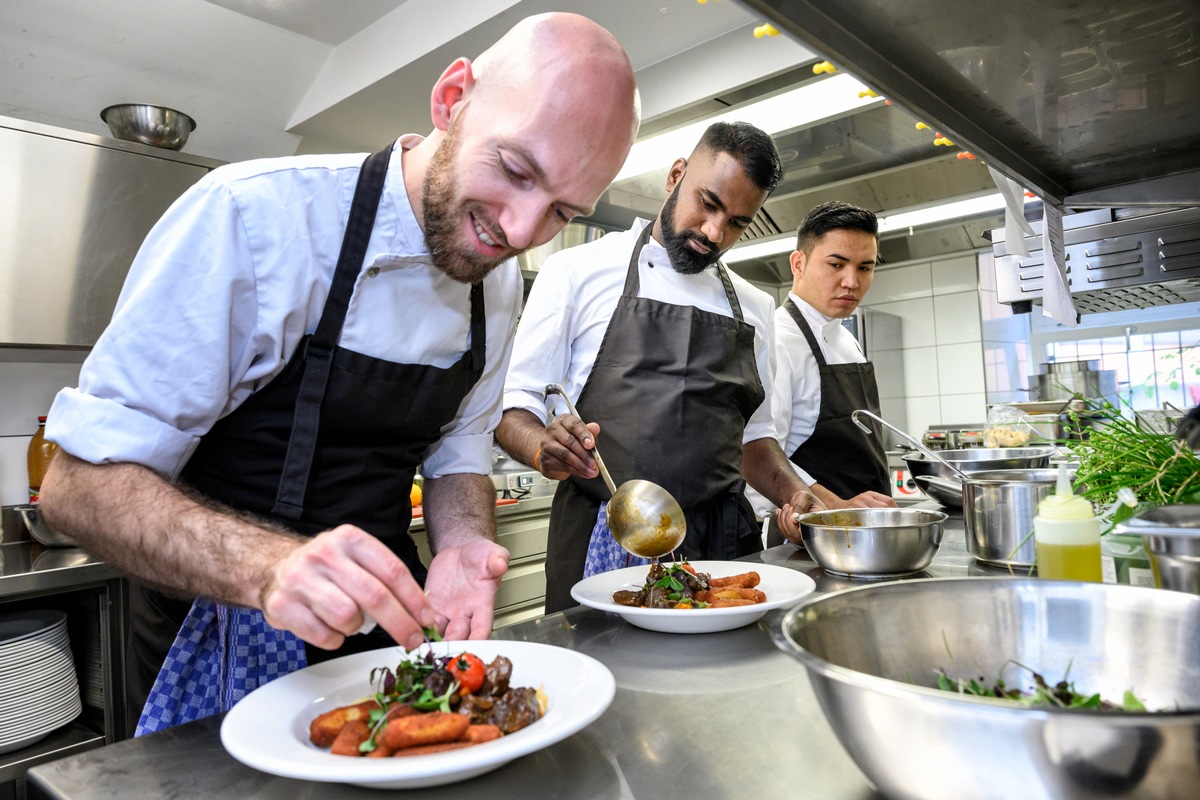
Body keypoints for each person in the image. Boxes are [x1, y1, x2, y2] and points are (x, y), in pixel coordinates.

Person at [38, 12, 639, 734]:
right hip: (211, 640)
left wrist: (462, 542)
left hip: (381, 644)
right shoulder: (254, 217)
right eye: (514, 171)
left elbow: (456, 457)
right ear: (452, 98)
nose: (516, 232)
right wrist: (269, 568)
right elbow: (76, 488)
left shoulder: (498, 281)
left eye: (561, 212)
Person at [495, 121, 818, 612]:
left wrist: (797, 496)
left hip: (724, 550)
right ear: (675, 175)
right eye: (707, 204)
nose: (714, 232)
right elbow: (511, 409)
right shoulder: (577, 272)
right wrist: (542, 447)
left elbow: (756, 439)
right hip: (607, 539)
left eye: (736, 223)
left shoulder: (753, 307)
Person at [750, 200, 897, 542]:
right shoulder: (779, 340)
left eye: (865, 267)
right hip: (812, 537)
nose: (852, 281)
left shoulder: (845, 337)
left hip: (862, 532)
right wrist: (836, 508)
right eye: (836, 264)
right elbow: (764, 455)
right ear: (798, 263)